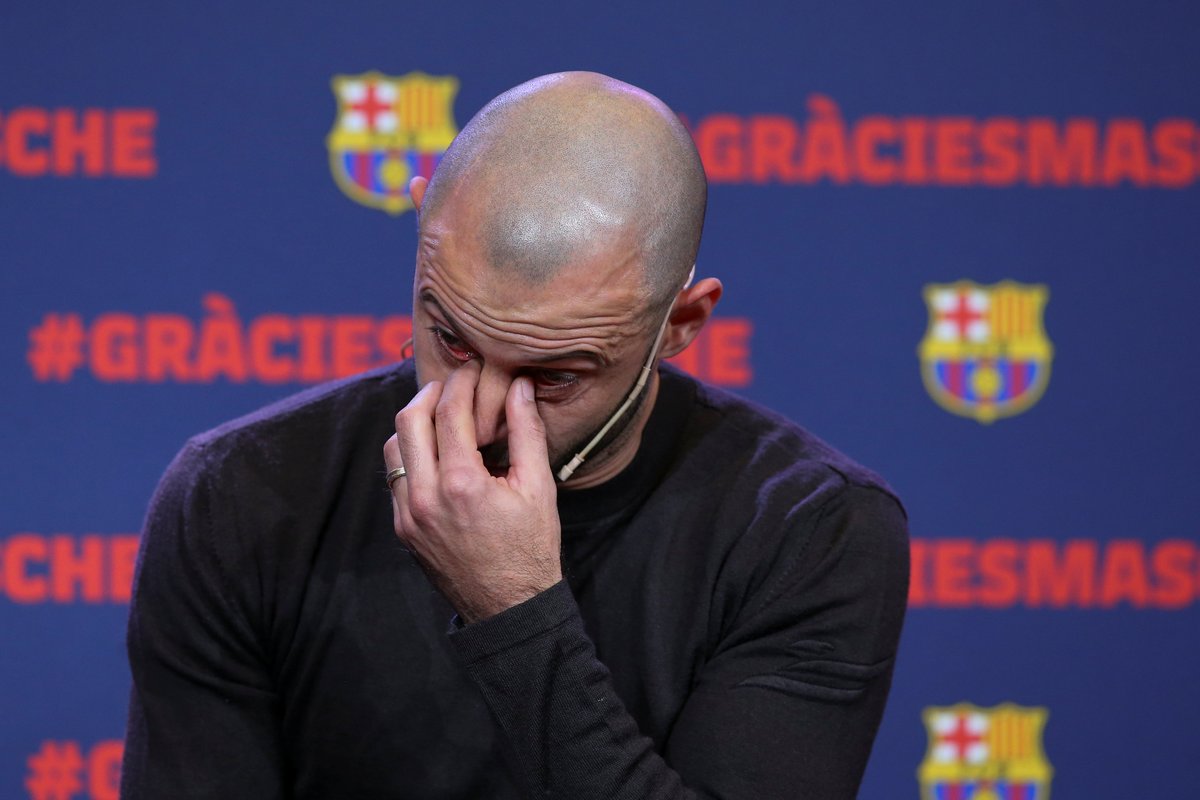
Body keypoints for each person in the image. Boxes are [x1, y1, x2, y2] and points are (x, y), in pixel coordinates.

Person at [120, 72, 909, 799]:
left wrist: (514, 613)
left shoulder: (811, 532)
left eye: (554, 377)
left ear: (681, 323)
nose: (483, 414)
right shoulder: (243, 496)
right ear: (424, 227)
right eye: (451, 341)